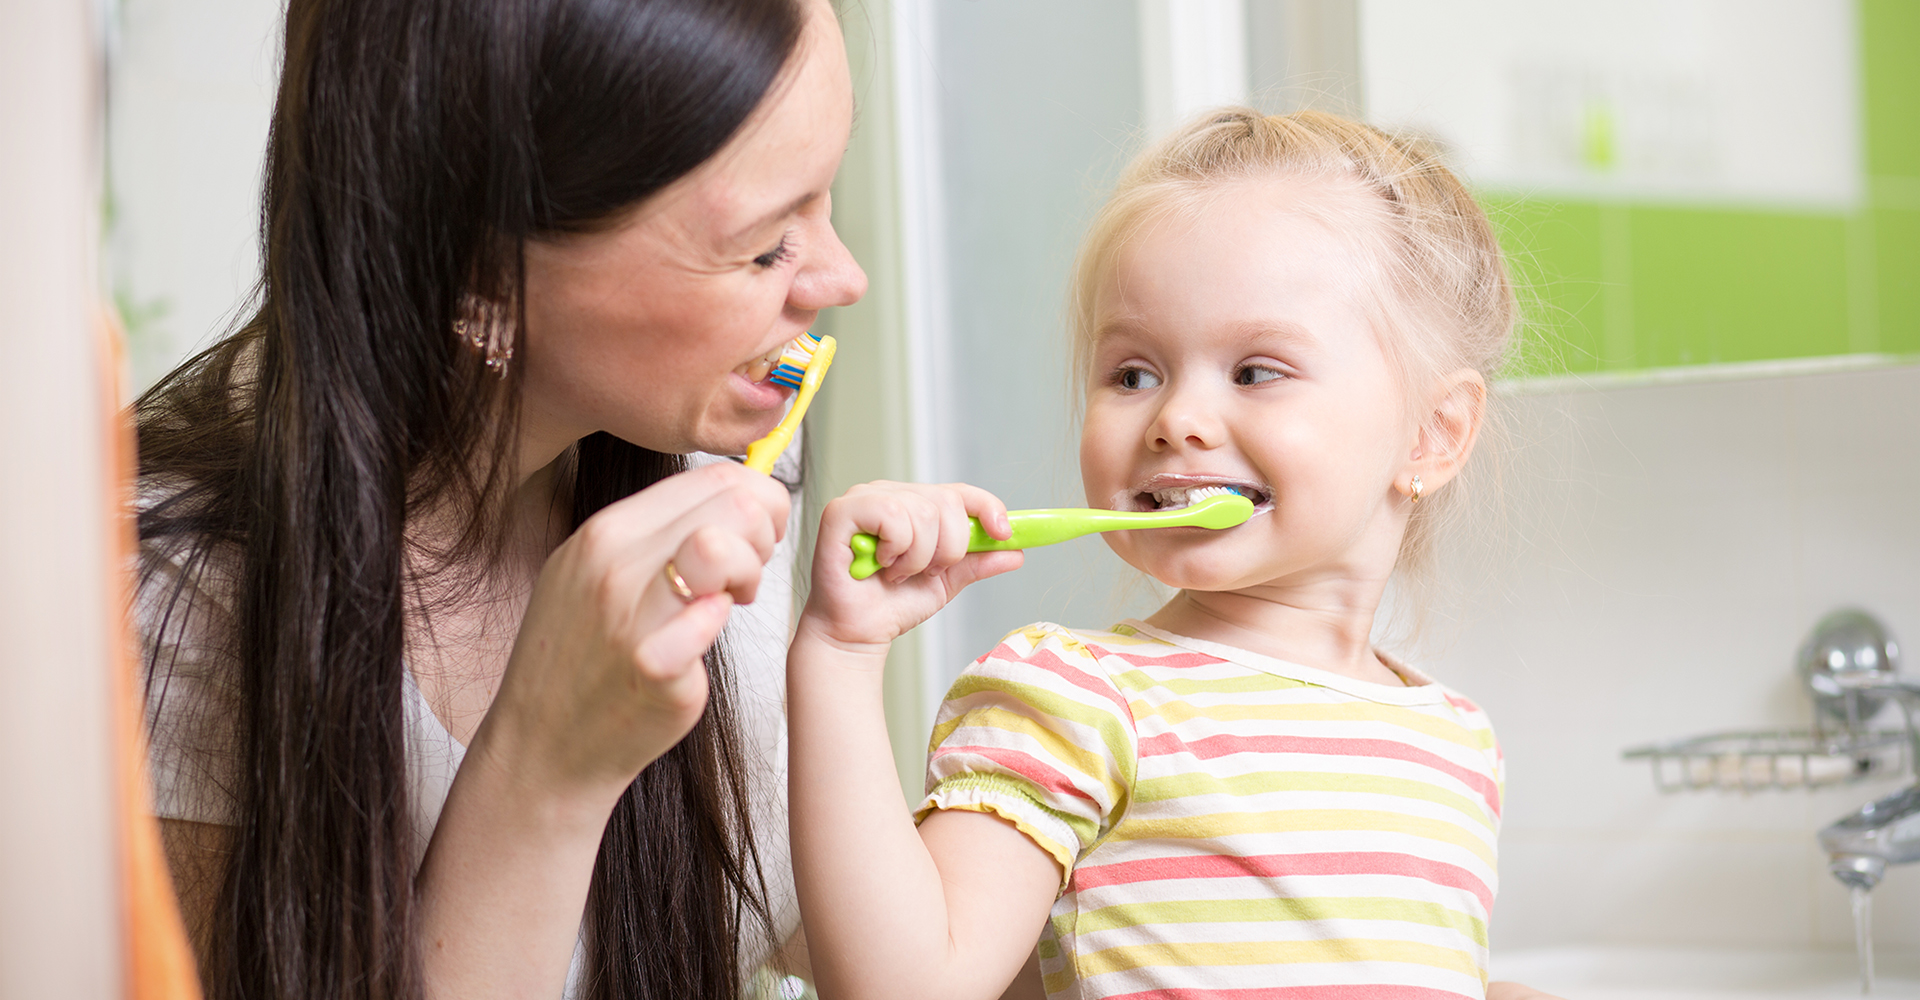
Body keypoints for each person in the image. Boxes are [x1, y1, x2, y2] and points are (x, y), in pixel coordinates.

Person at [133, 1, 864, 998]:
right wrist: (546, 771)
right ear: (482, 276)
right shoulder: (169, 606)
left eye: (826, 200)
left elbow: (845, 943)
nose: (842, 278)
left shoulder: (709, 472)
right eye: (767, 246)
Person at [789, 109, 1561, 999]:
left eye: (1255, 371)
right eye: (1133, 373)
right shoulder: (1076, 699)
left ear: (1433, 434)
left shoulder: (1456, 743)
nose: (1174, 419)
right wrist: (841, 659)